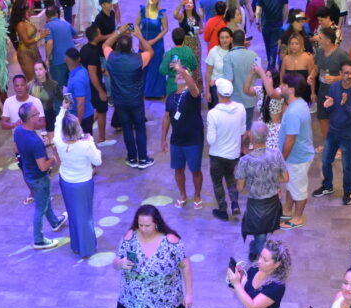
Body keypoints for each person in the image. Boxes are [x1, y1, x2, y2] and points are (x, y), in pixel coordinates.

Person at [17, 102, 69, 248]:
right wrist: (53, 156)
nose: (39, 115)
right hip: (39, 178)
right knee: (40, 207)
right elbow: (43, 166)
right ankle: (38, 239)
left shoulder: (18, 131)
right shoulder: (34, 141)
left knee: (45, 200)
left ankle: (55, 222)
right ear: (29, 118)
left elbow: (18, 148)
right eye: (36, 114)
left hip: (28, 174)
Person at [54, 105, 103, 258]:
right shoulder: (85, 145)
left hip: (66, 182)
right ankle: (86, 248)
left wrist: (63, 109)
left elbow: (57, 122)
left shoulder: (58, 141)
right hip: (83, 184)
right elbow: (98, 161)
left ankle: (76, 245)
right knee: (85, 216)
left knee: (74, 214)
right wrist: (92, 142)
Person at [313, 60, 351, 205]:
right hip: (333, 131)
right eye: (346, 73)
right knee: (326, 161)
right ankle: (327, 186)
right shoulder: (334, 87)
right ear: (340, 74)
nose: (349, 76)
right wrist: (328, 106)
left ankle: (347, 191)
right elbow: (331, 110)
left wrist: (345, 104)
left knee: (347, 165)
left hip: (347, 134)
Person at [104, 26, 156, 168]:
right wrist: (139, 35)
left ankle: (132, 158)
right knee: (140, 128)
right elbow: (151, 51)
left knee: (127, 128)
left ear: (118, 46)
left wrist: (119, 31)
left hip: (120, 101)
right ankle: (143, 158)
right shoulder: (139, 58)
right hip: (136, 100)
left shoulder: (112, 57)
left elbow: (106, 44)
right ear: (131, 47)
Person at [235, 122, 289, 259]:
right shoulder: (276, 154)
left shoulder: (245, 161)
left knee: (259, 235)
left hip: (255, 204)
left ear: (251, 137)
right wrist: (270, 179)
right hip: (272, 202)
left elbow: (239, 188)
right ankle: (257, 250)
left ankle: (260, 261)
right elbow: (285, 178)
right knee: (262, 232)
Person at [161, 62, 204, 209]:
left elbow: (193, 88)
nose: (180, 74)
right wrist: (163, 139)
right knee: (178, 169)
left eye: (184, 73)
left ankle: (197, 195)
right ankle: (183, 195)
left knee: (195, 170)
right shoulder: (170, 98)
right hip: (177, 140)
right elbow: (166, 118)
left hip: (194, 140)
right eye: (178, 73)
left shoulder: (193, 93)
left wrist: (182, 70)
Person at [277, 72, 314, 227]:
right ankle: (287, 210)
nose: (280, 87)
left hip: (296, 157)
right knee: (292, 185)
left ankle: (298, 218)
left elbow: (290, 140)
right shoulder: (300, 103)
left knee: (299, 189)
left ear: (291, 89)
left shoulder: (293, 112)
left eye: (284, 85)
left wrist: (281, 160)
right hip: (299, 155)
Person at [206, 79, 245, 220]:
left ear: (218, 93)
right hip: (234, 154)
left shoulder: (213, 114)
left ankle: (223, 209)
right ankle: (235, 204)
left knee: (217, 183)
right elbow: (242, 131)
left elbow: (210, 140)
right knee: (231, 179)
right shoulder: (240, 108)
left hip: (217, 155)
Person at [312, 26, 349, 148]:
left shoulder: (341, 54)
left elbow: (350, 74)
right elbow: (316, 68)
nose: (318, 39)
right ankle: (327, 143)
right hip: (322, 89)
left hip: (337, 91)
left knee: (335, 120)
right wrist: (311, 76)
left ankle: (337, 146)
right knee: (322, 117)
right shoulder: (319, 52)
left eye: (320, 37)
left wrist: (336, 78)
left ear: (328, 41)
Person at [80, 26, 112, 145]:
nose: (101, 34)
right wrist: (101, 91)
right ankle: (102, 139)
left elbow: (90, 67)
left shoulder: (85, 48)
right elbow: (92, 73)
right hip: (94, 86)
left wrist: (102, 70)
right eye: (99, 33)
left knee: (95, 109)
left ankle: (90, 126)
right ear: (96, 36)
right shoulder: (93, 52)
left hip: (87, 85)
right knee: (102, 110)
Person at [221, 29, 256, 129]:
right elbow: (258, 75)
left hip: (235, 101)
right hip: (250, 100)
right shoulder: (254, 55)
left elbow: (229, 80)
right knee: (247, 129)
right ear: (244, 41)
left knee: (235, 130)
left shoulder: (228, 57)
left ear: (232, 40)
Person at [139, 0, 169, 98]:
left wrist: (154, 41)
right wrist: (139, 38)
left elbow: (165, 29)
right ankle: (143, 91)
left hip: (157, 44)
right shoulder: (142, 10)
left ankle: (157, 92)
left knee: (156, 67)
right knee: (144, 66)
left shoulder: (162, 13)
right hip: (143, 43)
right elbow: (135, 25)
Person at [279, 32, 315, 107]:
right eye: (292, 44)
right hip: (289, 94)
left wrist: (313, 93)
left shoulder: (307, 58)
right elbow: (282, 75)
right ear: (289, 45)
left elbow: (312, 77)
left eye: (296, 43)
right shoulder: (286, 58)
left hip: (304, 93)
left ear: (301, 45)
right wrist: (282, 89)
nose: (294, 46)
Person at [175, 0, 204, 92]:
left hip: (195, 43)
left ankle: (197, 89)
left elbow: (202, 29)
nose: (188, 4)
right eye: (186, 2)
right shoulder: (182, 16)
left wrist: (199, 31)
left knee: (196, 65)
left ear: (193, 5)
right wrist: (180, 4)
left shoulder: (197, 17)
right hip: (185, 42)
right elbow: (175, 15)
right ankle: (185, 88)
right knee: (185, 65)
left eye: (190, 2)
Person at [160, 27, 198, 95]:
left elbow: (162, 71)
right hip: (186, 84)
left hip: (172, 86)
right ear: (184, 38)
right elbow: (194, 65)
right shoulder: (189, 51)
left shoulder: (169, 54)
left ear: (172, 39)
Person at [13, 1, 45, 81]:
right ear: (24, 10)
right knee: (32, 80)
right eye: (29, 7)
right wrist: (40, 37)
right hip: (25, 54)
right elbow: (26, 41)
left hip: (34, 50)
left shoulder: (26, 20)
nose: (32, 7)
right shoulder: (20, 24)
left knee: (41, 78)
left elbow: (31, 32)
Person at [45, 5, 76, 85]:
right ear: (57, 14)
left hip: (58, 61)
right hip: (72, 59)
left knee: (58, 87)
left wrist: (47, 59)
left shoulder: (48, 25)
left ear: (47, 17)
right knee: (72, 84)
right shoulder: (65, 23)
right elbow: (74, 33)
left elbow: (50, 42)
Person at [30, 60, 64, 133]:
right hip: (35, 117)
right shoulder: (31, 86)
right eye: (36, 70)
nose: (38, 72)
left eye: (40, 69)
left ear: (45, 70)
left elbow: (62, 99)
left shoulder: (53, 84)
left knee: (51, 140)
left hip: (49, 115)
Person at [205, 25, 232, 108]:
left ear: (231, 38)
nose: (224, 40)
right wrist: (207, 92)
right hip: (215, 87)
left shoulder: (234, 52)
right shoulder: (213, 51)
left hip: (231, 86)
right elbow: (208, 72)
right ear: (219, 39)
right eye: (222, 37)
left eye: (227, 37)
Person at [255, 0, 287, 70]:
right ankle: (271, 67)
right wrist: (282, 21)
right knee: (274, 46)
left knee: (268, 46)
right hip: (277, 25)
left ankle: (270, 66)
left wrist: (257, 22)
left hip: (265, 25)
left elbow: (258, 12)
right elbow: (285, 11)